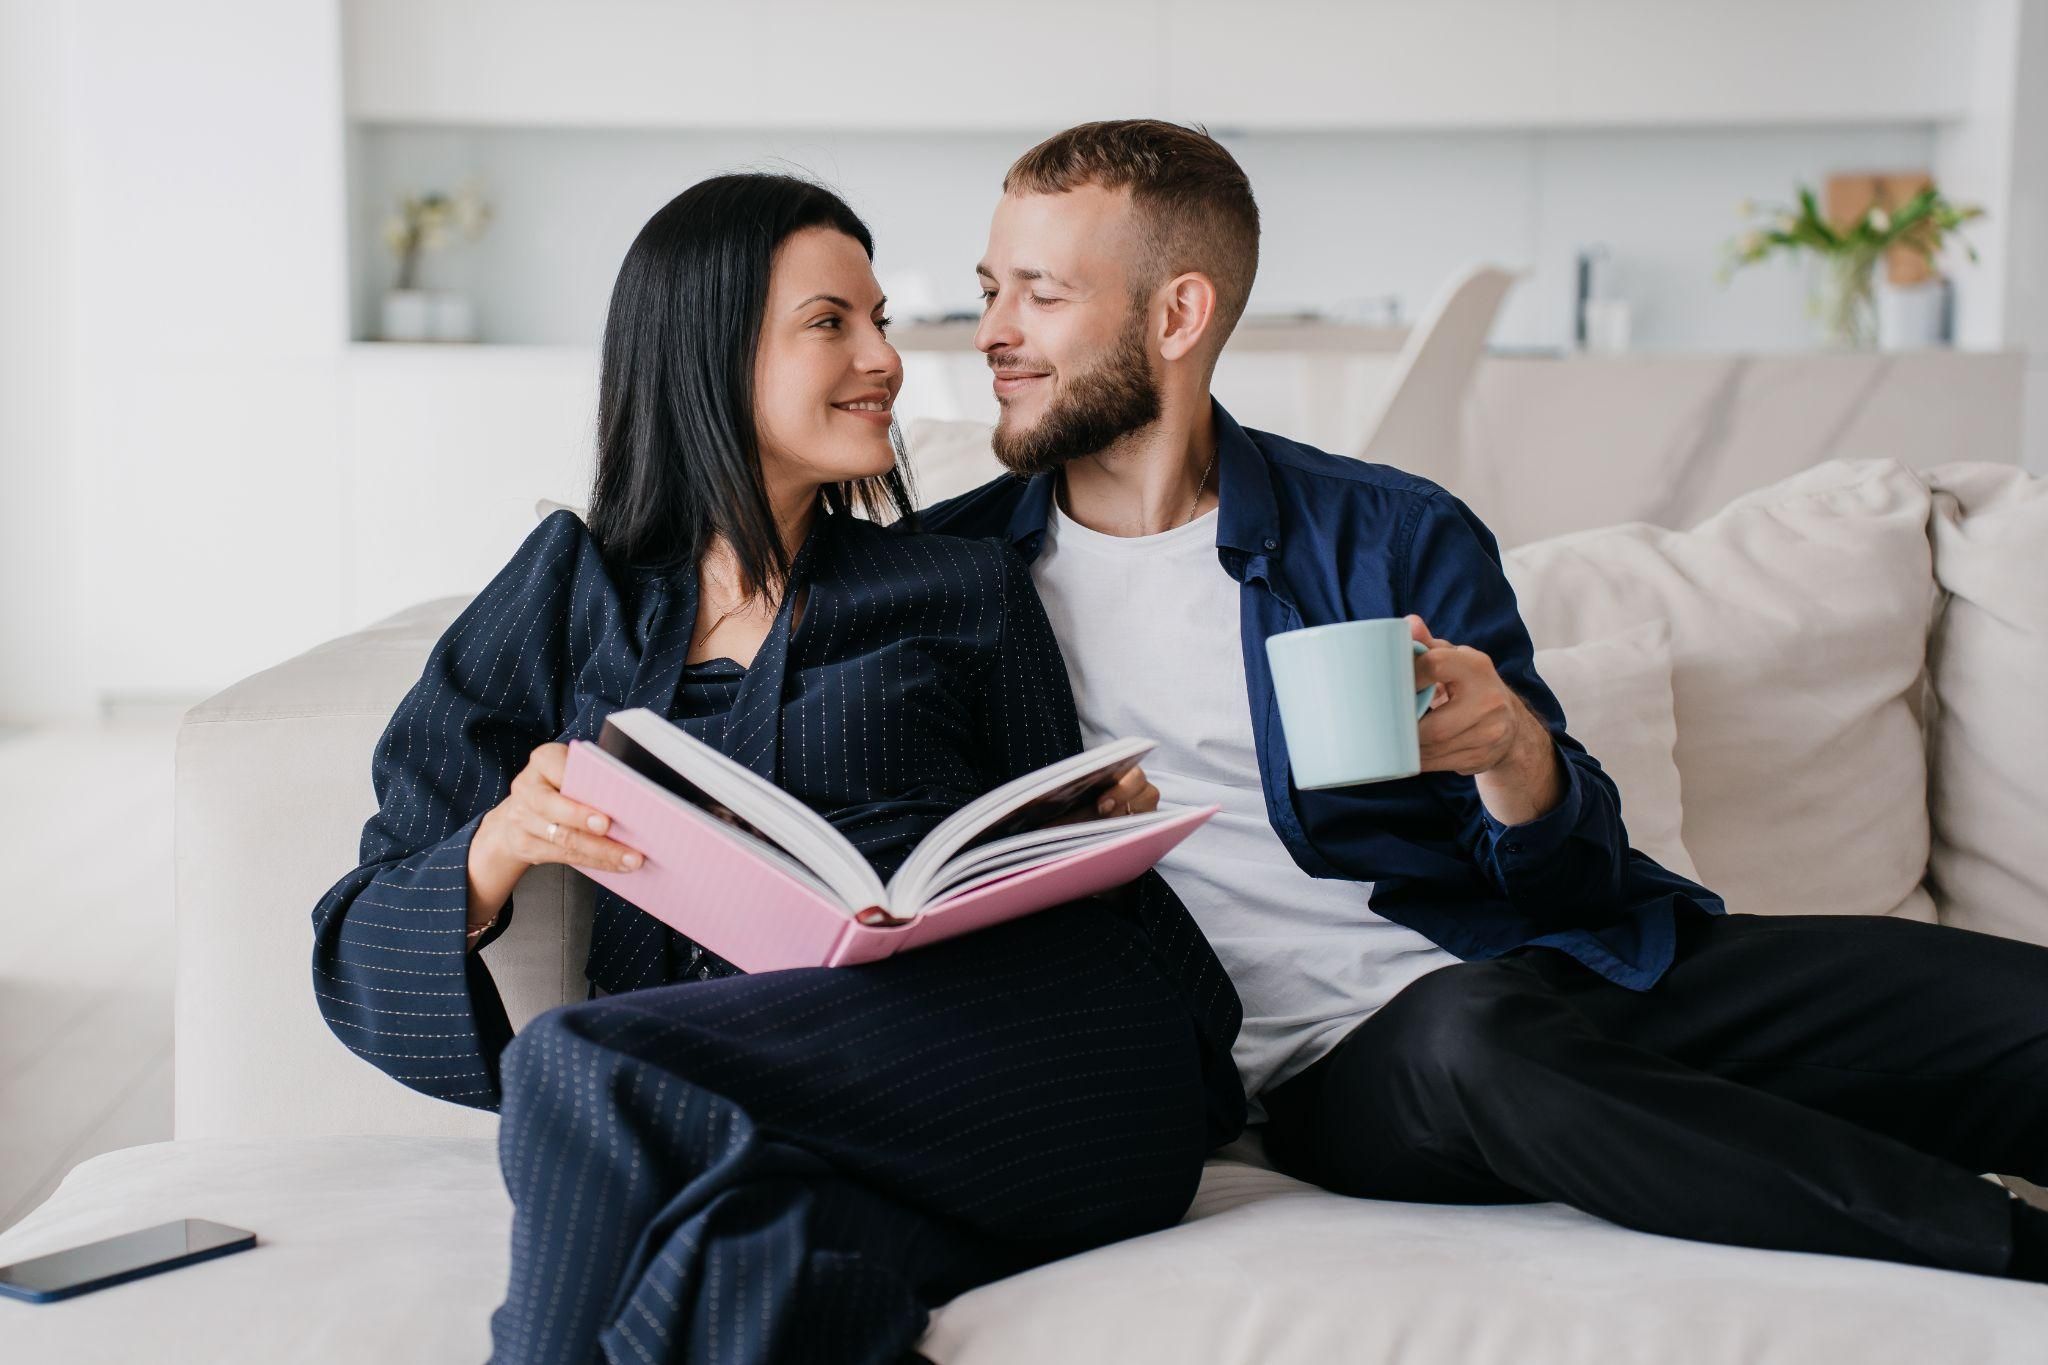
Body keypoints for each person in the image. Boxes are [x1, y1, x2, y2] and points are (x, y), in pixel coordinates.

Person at [918, 118, 2048, 1284]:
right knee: (1479, 1043)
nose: (992, 331)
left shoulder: (1386, 531)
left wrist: (1511, 753)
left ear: (1176, 316)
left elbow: (1576, 879)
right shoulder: (944, 584)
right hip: (1344, 1064)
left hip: (1548, 960)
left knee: (2014, 1013)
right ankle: (2010, 1252)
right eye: (989, 289)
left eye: (1038, 295)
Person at [309, 172, 1245, 1365]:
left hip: (1051, 1059)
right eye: (830, 323)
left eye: (881, 322)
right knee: (752, 1271)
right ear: (707, 352)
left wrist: (1079, 820)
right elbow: (356, 931)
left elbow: (1056, 858)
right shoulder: (563, 597)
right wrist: (498, 846)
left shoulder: (957, 586)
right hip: (785, 1110)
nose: (885, 360)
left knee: (578, 1062)